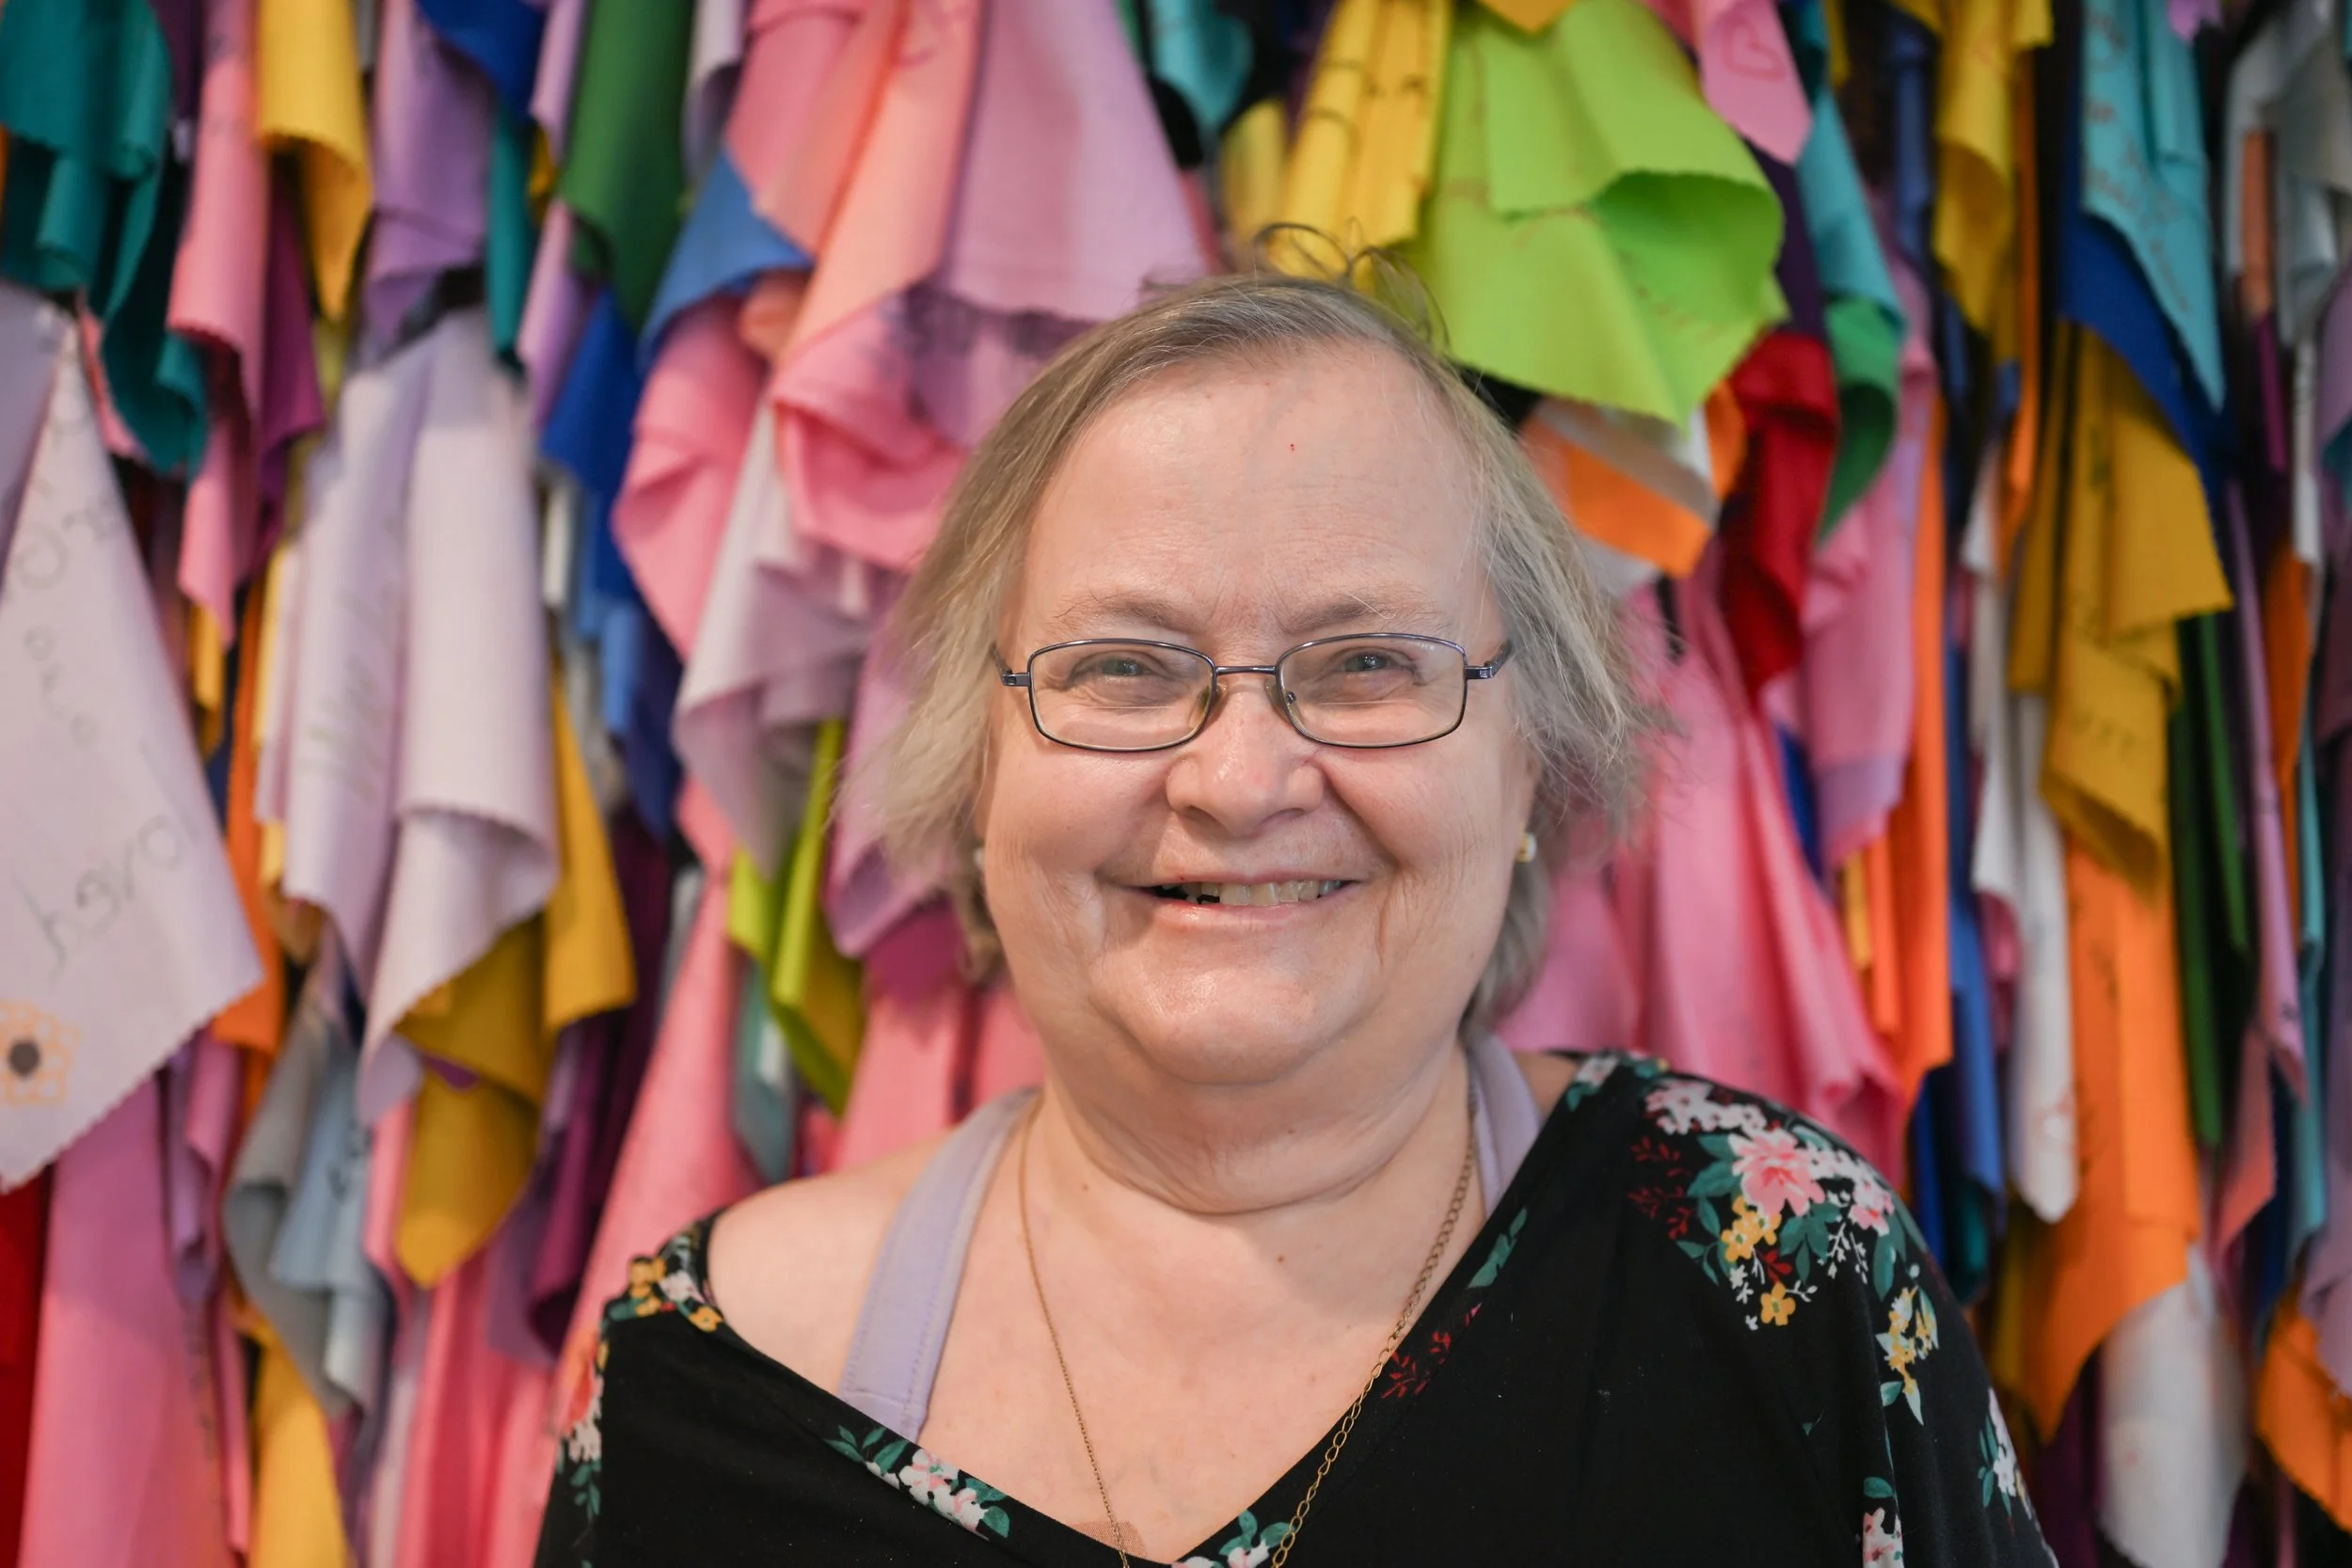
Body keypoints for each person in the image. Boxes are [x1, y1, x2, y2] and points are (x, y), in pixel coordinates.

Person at [532, 272, 2053, 1567]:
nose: (1241, 779)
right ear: (977, 766)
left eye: (1369, 664)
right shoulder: (706, 1376)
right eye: (1123, 668)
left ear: (1530, 754)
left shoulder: (1785, 1284)